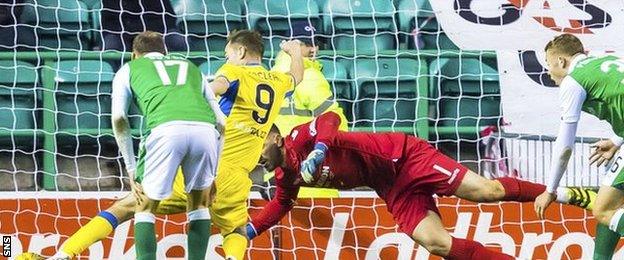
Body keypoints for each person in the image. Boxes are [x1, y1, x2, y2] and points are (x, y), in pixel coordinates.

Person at [246, 111, 596, 260]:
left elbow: (329, 120)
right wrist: (249, 230)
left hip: (405, 157)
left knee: (485, 192)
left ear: (275, 137)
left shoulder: (298, 138)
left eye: (258, 146)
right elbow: (280, 204)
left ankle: (566, 194)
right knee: (434, 242)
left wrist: (320, 147)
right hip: (390, 185)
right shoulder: (283, 176)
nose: (257, 156)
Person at [113, 31, 224, 260]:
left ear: (135, 55)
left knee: (144, 207)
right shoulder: (191, 67)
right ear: (165, 52)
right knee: (199, 206)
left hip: (165, 130)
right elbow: (222, 121)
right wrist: (213, 173)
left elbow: (119, 118)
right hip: (205, 130)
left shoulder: (128, 69)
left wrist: (131, 167)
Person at [208, 30, 303, 260]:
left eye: (228, 53)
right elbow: (296, 77)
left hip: (213, 165)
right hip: (241, 175)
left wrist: (195, 91)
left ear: (240, 51)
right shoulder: (278, 81)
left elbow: (218, 86)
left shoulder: (233, 71)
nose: (226, 59)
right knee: (234, 231)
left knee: (138, 207)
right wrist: (295, 52)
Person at [532, 33, 624, 259]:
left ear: (561, 61)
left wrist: (550, 190)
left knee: (602, 209)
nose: (548, 72)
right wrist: (616, 139)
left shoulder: (573, 81)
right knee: (613, 200)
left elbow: (565, 145)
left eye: (549, 64)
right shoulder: (604, 61)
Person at [269, 21, 348, 198]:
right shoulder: (310, 75)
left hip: (276, 176)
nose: (314, 49)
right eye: (307, 44)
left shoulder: (272, 75)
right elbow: (334, 119)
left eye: (316, 43)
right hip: (310, 175)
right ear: (293, 45)